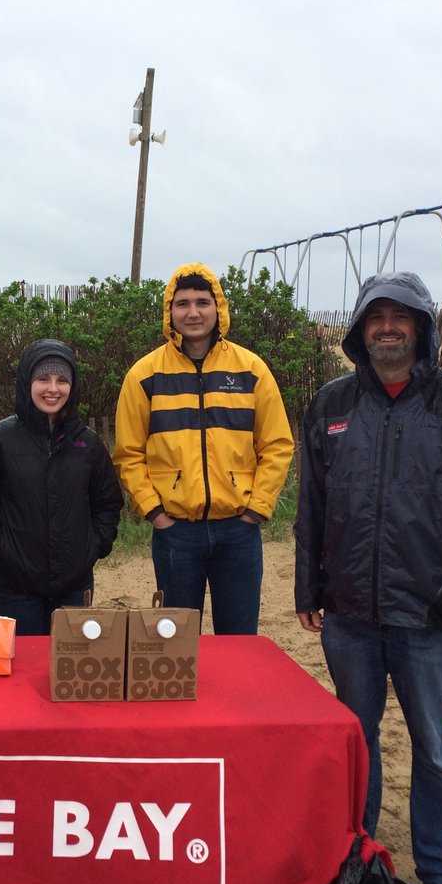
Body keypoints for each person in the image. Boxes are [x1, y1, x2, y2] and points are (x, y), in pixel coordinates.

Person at [293, 272, 442, 884]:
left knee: (436, 750)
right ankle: (358, 862)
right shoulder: (333, 404)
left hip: (432, 615)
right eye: (375, 318)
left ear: (421, 326)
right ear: (360, 330)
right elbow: (313, 503)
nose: (387, 328)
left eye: (400, 317)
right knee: (354, 745)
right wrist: (308, 589)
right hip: (351, 614)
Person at [114, 262, 294, 634]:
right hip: (175, 531)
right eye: (182, 304)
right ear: (169, 311)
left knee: (239, 638)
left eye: (202, 302)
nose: (193, 313)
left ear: (219, 308)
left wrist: (257, 509)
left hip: (239, 531)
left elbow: (277, 445)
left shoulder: (251, 370)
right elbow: (129, 454)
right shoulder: (144, 375)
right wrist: (154, 513)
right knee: (177, 640)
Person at [0, 339, 123, 635]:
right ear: (26, 382)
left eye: (62, 380)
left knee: (70, 669)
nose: (52, 389)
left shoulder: (89, 444)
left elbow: (107, 503)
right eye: (43, 379)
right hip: (13, 588)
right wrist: (1, 549)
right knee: (22, 670)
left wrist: (93, 547)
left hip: (75, 587)